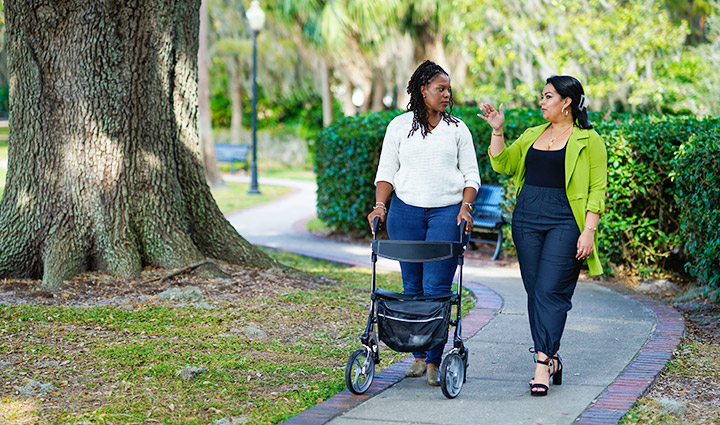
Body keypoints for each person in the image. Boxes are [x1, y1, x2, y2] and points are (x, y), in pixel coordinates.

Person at [477, 75, 607, 396]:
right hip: (527, 219)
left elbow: (597, 191)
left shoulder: (589, 141)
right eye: (542, 96)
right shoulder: (533, 134)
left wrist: (588, 231)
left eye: (548, 96)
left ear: (567, 103)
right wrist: (497, 130)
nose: (542, 101)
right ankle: (552, 357)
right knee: (536, 292)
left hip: (566, 221)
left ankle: (542, 363)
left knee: (552, 291)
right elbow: (503, 165)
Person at [367, 60, 481, 386]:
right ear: (423, 90)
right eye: (440, 89)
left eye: (448, 89)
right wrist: (379, 206)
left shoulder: (458, 129)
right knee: (412, 288)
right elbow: (386, 171)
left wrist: (465, 206)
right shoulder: (399, 127)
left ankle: (434, 361)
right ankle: (417, 356)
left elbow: (471, 175)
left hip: (447, 213)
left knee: (436, 289)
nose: (447, 95)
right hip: (406, 213)